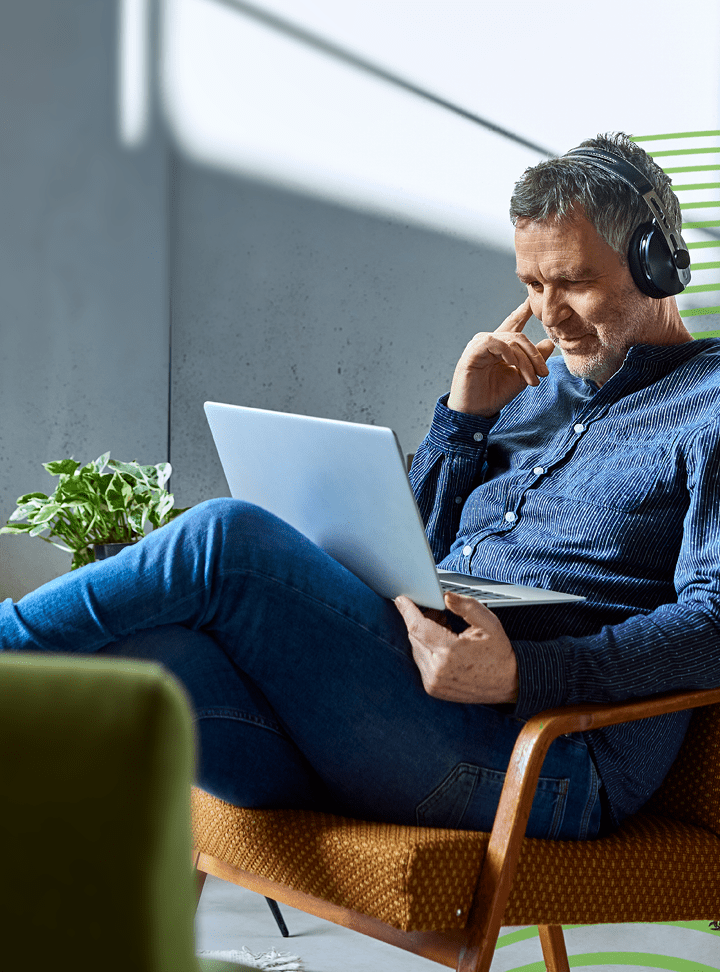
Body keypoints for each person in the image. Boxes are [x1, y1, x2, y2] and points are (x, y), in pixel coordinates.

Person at [2, 133, 719, 842]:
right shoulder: (533, 385)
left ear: (657, 266)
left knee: (227, 539)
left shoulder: (709, 403)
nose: (550, 315)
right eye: (532, 286)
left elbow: (714, 621)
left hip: (546, 763)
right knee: (151, 656)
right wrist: (463, 422)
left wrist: (525, 673)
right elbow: (416, 552)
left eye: (574, 282)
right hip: (392, 715)